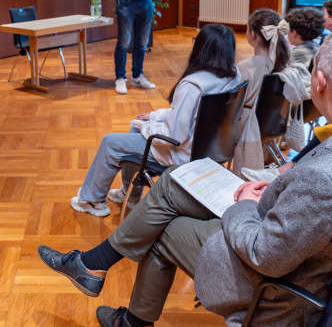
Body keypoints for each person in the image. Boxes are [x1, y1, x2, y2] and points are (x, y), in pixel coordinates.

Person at [38, 29, 332, 327]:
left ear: (321, 82)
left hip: (286, 286)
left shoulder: (326, 182)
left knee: (164, 228)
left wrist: (246, 202)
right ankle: (99, 274)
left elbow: (266, 254)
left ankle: (118, 299)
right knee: (174, 180)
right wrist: (285, 180)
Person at [69, 24, 242, 217]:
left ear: (201, 48)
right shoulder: (234, 76)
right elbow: (193, 118)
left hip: (180, 154)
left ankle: (92, 200)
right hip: (211, 149)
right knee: (135, 130)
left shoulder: (192, 85)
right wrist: (153, 117)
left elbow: (176, 136)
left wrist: (147, 126)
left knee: (111, 142)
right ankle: (130, 194)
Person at [232, 9, 290, 172]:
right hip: (274, 126)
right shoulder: (285, 65)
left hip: (247, 127)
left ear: (253, 34)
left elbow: (233, 105)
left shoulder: (245, 68)